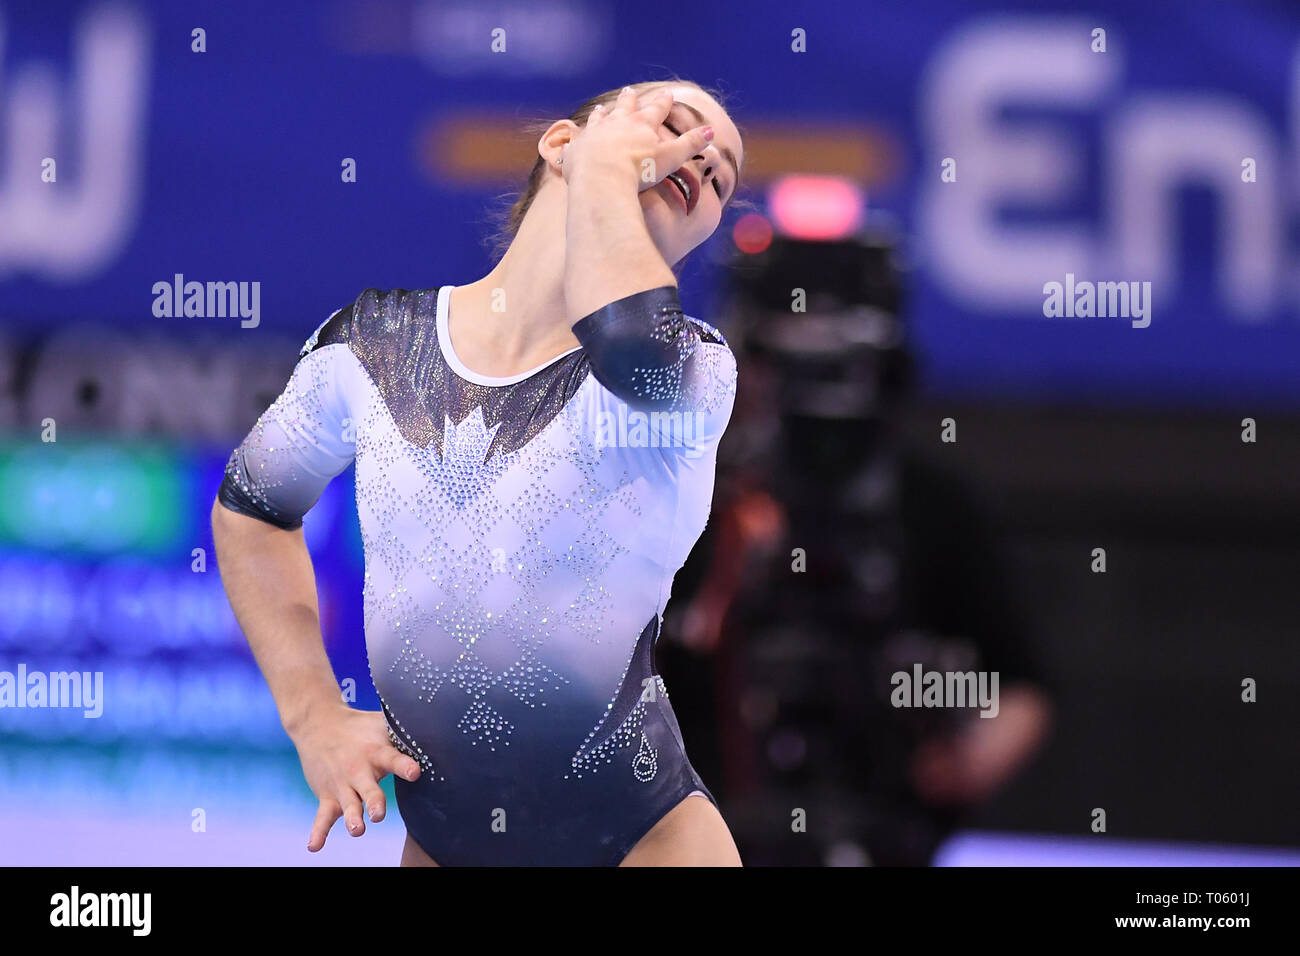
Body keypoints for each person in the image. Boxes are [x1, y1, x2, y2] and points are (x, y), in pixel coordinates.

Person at [211, 80, 747, 866]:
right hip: (445, 848)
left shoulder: (692, 371)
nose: (703, 159)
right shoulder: (372, 346)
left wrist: (604, 175)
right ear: (561, 143)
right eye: (676, 125)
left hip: (645, 845)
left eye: (723, 178)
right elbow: (254, 509)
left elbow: (629, 339)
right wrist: (313, 716)